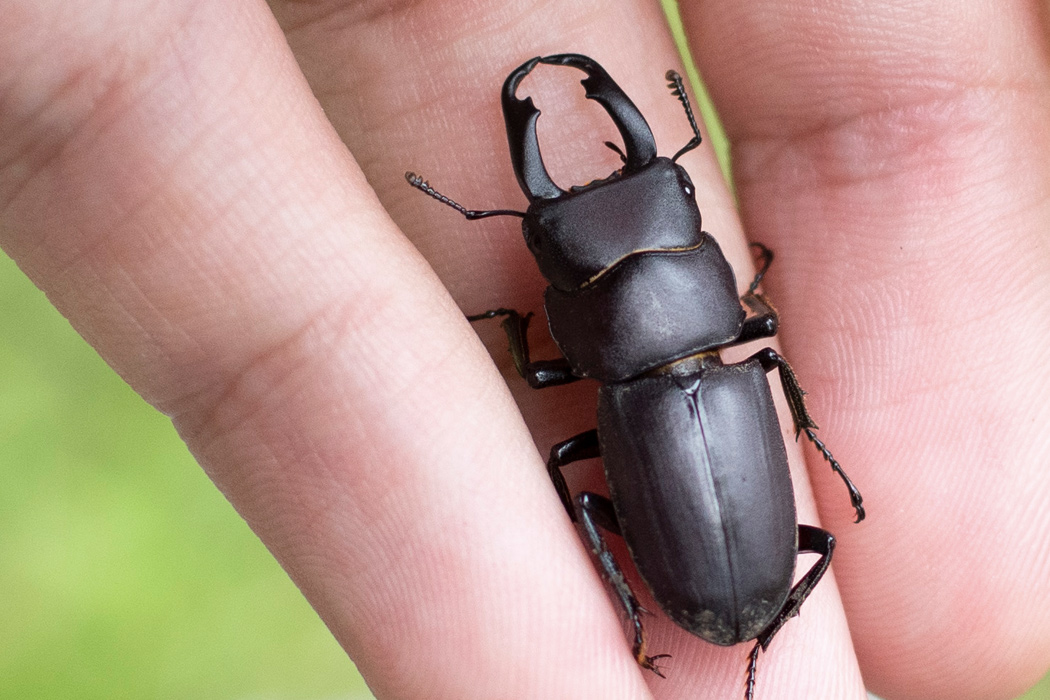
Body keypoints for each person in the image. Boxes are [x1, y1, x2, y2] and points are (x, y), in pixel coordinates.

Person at [2, 1, 1048, 698]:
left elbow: (560, 370)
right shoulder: (751, 348)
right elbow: (759, 344)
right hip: (740, 551)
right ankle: (721, 635)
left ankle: (692, 629)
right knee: (730, 451)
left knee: (567, 465)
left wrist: (512, 323)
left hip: (705, 557)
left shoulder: (638, 372)